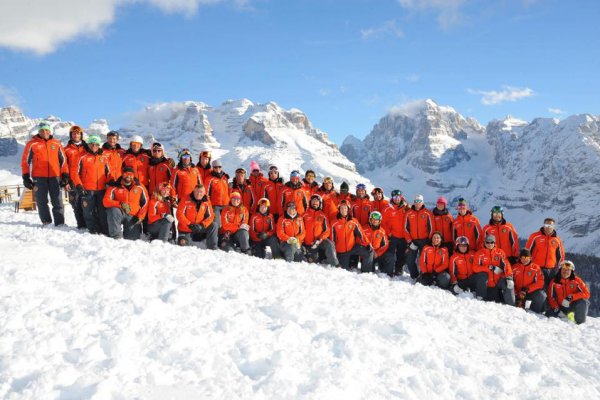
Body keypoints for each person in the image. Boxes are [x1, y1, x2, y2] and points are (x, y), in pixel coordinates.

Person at [21, 122, 69, 226]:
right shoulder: (32, 144)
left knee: (57, 201)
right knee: (41, 201)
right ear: (39, 131)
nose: (45, 132)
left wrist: (65, 175)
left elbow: (63, 161)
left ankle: (60, 223)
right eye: (42, 130)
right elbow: (25, 161)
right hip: (38, 177)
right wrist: (25, 177)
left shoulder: (56, 143)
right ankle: (46, 222)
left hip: (55, 176)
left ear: (50, 131)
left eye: (47, 130)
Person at [71, 135, 110, 235]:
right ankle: (93, 230)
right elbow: (74, 172)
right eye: (92, 144)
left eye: (96, 144)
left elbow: (108, 173)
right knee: (89, 211)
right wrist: (79, 185)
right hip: (87, 189)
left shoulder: (103, 157)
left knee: (102, 211)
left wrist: (110, 183)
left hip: (101, 189)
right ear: (88, 144)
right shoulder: (81, 156)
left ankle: (104, 230)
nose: (94, 146)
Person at [103, 166, 149, 240]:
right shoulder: (114, 186)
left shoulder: (140, 187)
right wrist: (120, 204)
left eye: (131, 174)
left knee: (132, 240)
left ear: (133, 176)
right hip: (119, 213)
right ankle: (116, 237)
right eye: (126, 174)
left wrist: (140, 216)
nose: (128, 176)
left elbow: (145, 202)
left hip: (133, 216)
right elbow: (105, 201)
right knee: (113, 210)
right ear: (122, 174)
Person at [331, 200, 374, 272]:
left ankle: (366, 271)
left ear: (348, 209)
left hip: (353, 247)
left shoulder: (354, 221)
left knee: (369, 252)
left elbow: (361, 234)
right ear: (339, 209)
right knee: (344, 271)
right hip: (342, 251)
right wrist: (335, 253)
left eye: (345, 208)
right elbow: (332, 239)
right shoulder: (334, 222)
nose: (343, 210)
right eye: (341, 208)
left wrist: (367, 243)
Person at [474, 234, 515, 306]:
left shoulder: (500, 252)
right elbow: (475, 268)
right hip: (487, 284)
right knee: (482, 276)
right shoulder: (479, 254)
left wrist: (509, 277)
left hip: (498, 281)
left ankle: (511, 305)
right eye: (487, 242)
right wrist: (487, 268)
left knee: (509, 283)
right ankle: (479, 299)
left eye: (492, 242)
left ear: (494, 243)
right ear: (484, 243)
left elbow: (506, 264)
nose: (490, 244)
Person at [526, 218, 565, 288]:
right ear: (543, 225)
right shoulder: (535, 236)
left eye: (551, 225)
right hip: (537, 268)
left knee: (550, 288)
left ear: (554, 227)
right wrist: (529, 266)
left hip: (551, 270)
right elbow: (527, 252)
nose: (548, 227)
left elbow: (561, 256)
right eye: (547, 225)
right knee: (538, 287)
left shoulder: (557, 240)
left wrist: (557, 268)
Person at [176, 184, 218, 249]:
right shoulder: (185, 199)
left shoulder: (206, 200)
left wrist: (202, 225)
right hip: (186, 229)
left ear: (204, 193)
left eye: (201, 192)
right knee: (183, 246)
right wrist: (189, 224)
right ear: (193, 191)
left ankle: (212, 247)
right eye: (197, 191)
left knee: (214, 225)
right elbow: (179, 214)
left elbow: (211, 216)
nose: (198, 194)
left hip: (200, 228)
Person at [302, 194, 338, 266]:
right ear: (310, 202)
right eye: (313, 201)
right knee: (312, 262)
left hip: (319, 242)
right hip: (308, 244)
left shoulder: (323, 216)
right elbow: (300, 230)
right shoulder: (304, 215)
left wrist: (320, 239)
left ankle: (335, 264)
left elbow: (327, 230)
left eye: (317, 201)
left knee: (330, 244)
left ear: (320, 203)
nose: (315, 203)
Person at [64, 125, 88, 229]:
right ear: (71, 135)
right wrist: (65, 182)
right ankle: (81, 225)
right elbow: (63, 166)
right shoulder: (66, 149)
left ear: (81, 135)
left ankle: (89, 224)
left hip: (85, 180)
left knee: (87, 203)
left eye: (78, 133)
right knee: (76, 204)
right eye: (74, 133)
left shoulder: (87, 148)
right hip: (72, 180)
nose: (76, 135)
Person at [405, 194, 433, 279]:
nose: (418, 203)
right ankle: (414, 276)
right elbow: (405, 229)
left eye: (419, 201)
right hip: (413, 240)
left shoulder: (427, 213)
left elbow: (431, 228)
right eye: (416, 201)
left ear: (422, 202)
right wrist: (409, 241)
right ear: (414, 202)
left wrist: (429, 240)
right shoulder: (409, 213)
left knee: (424, 261)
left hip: (424, 240)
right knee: (409, 260)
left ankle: (423, 276)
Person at [382, 190, 409, 276]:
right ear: (392, 198)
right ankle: (389, 270)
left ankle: (398, 270)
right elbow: (383, 223)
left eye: (398, 197)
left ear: (401, 197)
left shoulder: (406, 208)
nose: (397, 199)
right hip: (392, 236)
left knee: (401, 255)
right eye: (395, 197)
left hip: (403, 236)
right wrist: (388, 232)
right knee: (390, 254)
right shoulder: (388, 208)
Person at [512, 249, 546, 313]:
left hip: (529, 292)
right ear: (520, 258)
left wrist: (527, 289)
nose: (525, 260)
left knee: (542, 295)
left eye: (527, 257)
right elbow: (510, 281)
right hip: (517, 293)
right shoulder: (514, 268)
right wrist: (516, 293)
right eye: (523, 258)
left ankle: (535, 312)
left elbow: (540, 282)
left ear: (530, 258)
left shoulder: (536, 268)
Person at [363, 211, 394, 276]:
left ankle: (389, 275)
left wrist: (378, 253)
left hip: (378, 254)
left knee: (390, 256)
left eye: (377, 220)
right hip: (368, 255)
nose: (375, 221)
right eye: (373, 219)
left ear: (379, 221)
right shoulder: (364, 229)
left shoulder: (382, 231)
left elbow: (385, 244)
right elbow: (360, 242)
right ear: (370, 220)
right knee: (368, 273)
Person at [206, 159, 230, 230]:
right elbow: (206, 194)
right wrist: (209, 205)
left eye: (219, 167)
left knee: (225, 223)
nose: (218, 169)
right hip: (215, 206)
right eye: (215, 167)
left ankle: (224, 239)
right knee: (217, 223)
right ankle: (217, 239)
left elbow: (227, 191)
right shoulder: (209, 179)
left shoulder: (225, 178)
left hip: (225, 205)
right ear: (213, 168)